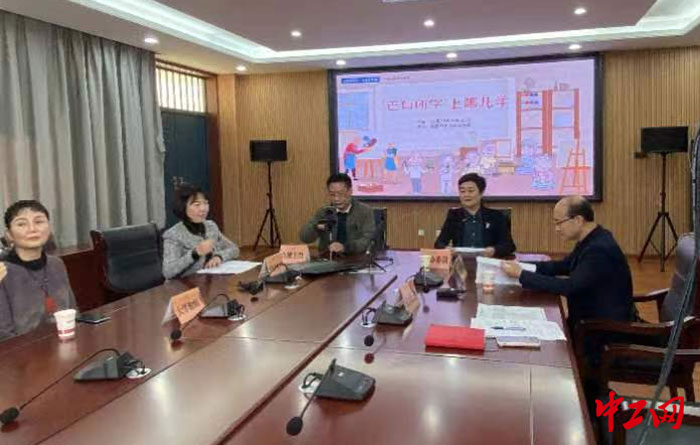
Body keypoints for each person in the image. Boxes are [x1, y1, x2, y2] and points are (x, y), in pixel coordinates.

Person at [501, 195, 635, 334]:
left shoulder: (598, 249)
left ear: (578, 220)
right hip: (587, 320)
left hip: (601, 329)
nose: (557, 229)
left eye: (559, 223)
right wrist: (522, 265)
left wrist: (522, 275)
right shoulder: (592, 238)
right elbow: (563, 266)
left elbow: (570, 287)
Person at [0, 200, 77, 341]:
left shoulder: (56, 264)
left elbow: (73, 312)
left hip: (64, 343)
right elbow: (4, 334)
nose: (32, 229)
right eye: (21, 224)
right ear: (9, 234)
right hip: (22, 350)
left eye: (39, 221)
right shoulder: (3, 272)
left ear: (49, 228)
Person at [162, 184, 239, 279]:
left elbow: (234, 249)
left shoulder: (211, 226)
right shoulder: (173, 235)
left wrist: (219, 257)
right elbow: (168, 272)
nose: (203, 209)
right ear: (183, 207)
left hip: (210, 281)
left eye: (205, 203)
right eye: (197, 205)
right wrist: (195, 253)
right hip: (184, 285)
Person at [434, 173, 516, 257]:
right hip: (460, 262)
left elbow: (509, 246)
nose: (466, 195)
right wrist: (446, 248)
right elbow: (439, 243)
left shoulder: (496, 216)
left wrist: (494, 250)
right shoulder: (454, 215)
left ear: (481, 193)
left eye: (471, 191)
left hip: (487, 262)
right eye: (462, 191)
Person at [300, 173, 375, 255]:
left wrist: (345, 247)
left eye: (341, 194)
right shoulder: (324, 211)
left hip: (356, 258)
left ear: (350, 191)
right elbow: (305, 238)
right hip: (328, 258)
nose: (336, 198)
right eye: (332, 195)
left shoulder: (364, 211)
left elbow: (367, 239)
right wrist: (315, 227)